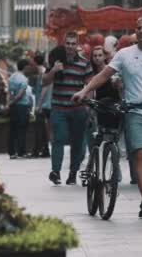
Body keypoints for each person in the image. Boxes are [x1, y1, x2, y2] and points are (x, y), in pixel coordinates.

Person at [73, 15, 142, 219]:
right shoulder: (124, 54)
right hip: (134, 112)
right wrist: (85, 91)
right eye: (139, 28)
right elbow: (103, 75)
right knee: (141, 153)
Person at [43, 31, 93, 185]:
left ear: (77, 45)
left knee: (77, 142)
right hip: (59, 108)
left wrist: (89, 106)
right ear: (64, 44)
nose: (70, 47)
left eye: (73, 44)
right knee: (59, 139)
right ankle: (55, 172)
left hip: (78, 109)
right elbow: (44, 82)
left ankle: (73, 172)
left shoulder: (84, 63)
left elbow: (90, 85)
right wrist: (53, 70)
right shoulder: (57, 61)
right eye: (68, 43)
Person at [7, 59, 32, 159]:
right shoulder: (24, 79)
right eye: (28, 66)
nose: (29, 68)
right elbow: (20, 95)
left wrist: (9, 103)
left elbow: (9, 92)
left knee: (13, 129)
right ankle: (21, 152)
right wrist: (12, 102)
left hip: (13, 107)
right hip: (22, 106)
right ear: (25, 67)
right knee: (22, 129)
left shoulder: (11, 77)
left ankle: (12, 152)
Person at [31, 53, 51, 158]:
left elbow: (45, 88)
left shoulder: (43, 73)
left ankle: (37, 150)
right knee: (42, 128)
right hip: (45, 104)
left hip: (44, 105)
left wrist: (38, 105)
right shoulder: (42, 72)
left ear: (35, 62)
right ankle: (45, 150)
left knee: (39, 128)